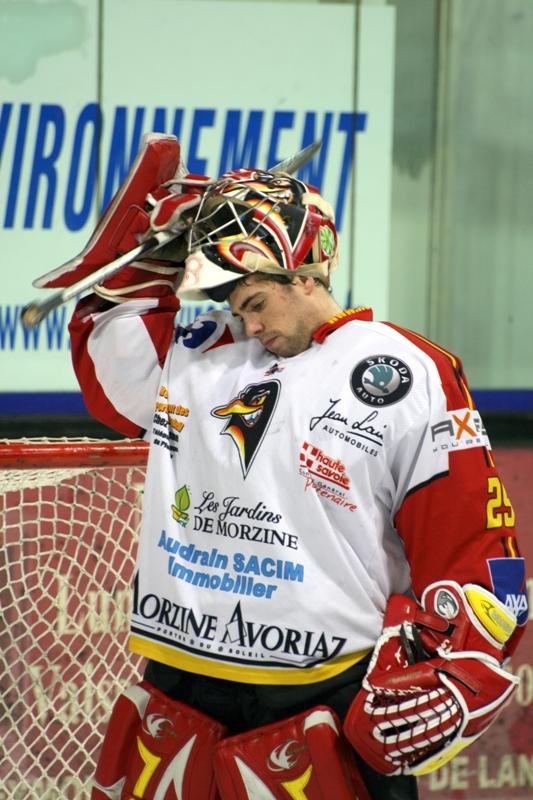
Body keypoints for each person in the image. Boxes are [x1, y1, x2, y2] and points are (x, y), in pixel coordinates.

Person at [49, 134, 527, 798]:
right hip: (182, 689)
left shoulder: (407, 370)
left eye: (255, 304)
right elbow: (111, 372)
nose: (246, 324)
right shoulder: (200, 353)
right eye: (232, 307)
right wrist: (146, 257)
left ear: (304, 276)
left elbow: (472, 538)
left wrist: (460, 657)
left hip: (324, 695)